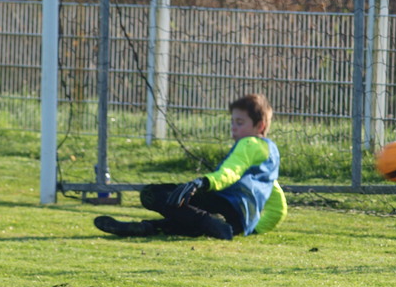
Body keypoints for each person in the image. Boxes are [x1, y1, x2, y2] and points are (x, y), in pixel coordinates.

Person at [94, 93, 287, 240]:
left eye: (240, 122)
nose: (233, 127)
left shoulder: (248, 144)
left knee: (152, 194)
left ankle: (207, 221)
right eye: (232, 121)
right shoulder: (270, 155)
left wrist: (201, 183)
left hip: (224, 205)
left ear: (260, 126)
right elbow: (278, 207)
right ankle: (148, 228)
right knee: (188, 220)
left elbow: (230, 172)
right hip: (237, 224)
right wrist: (252, 229)